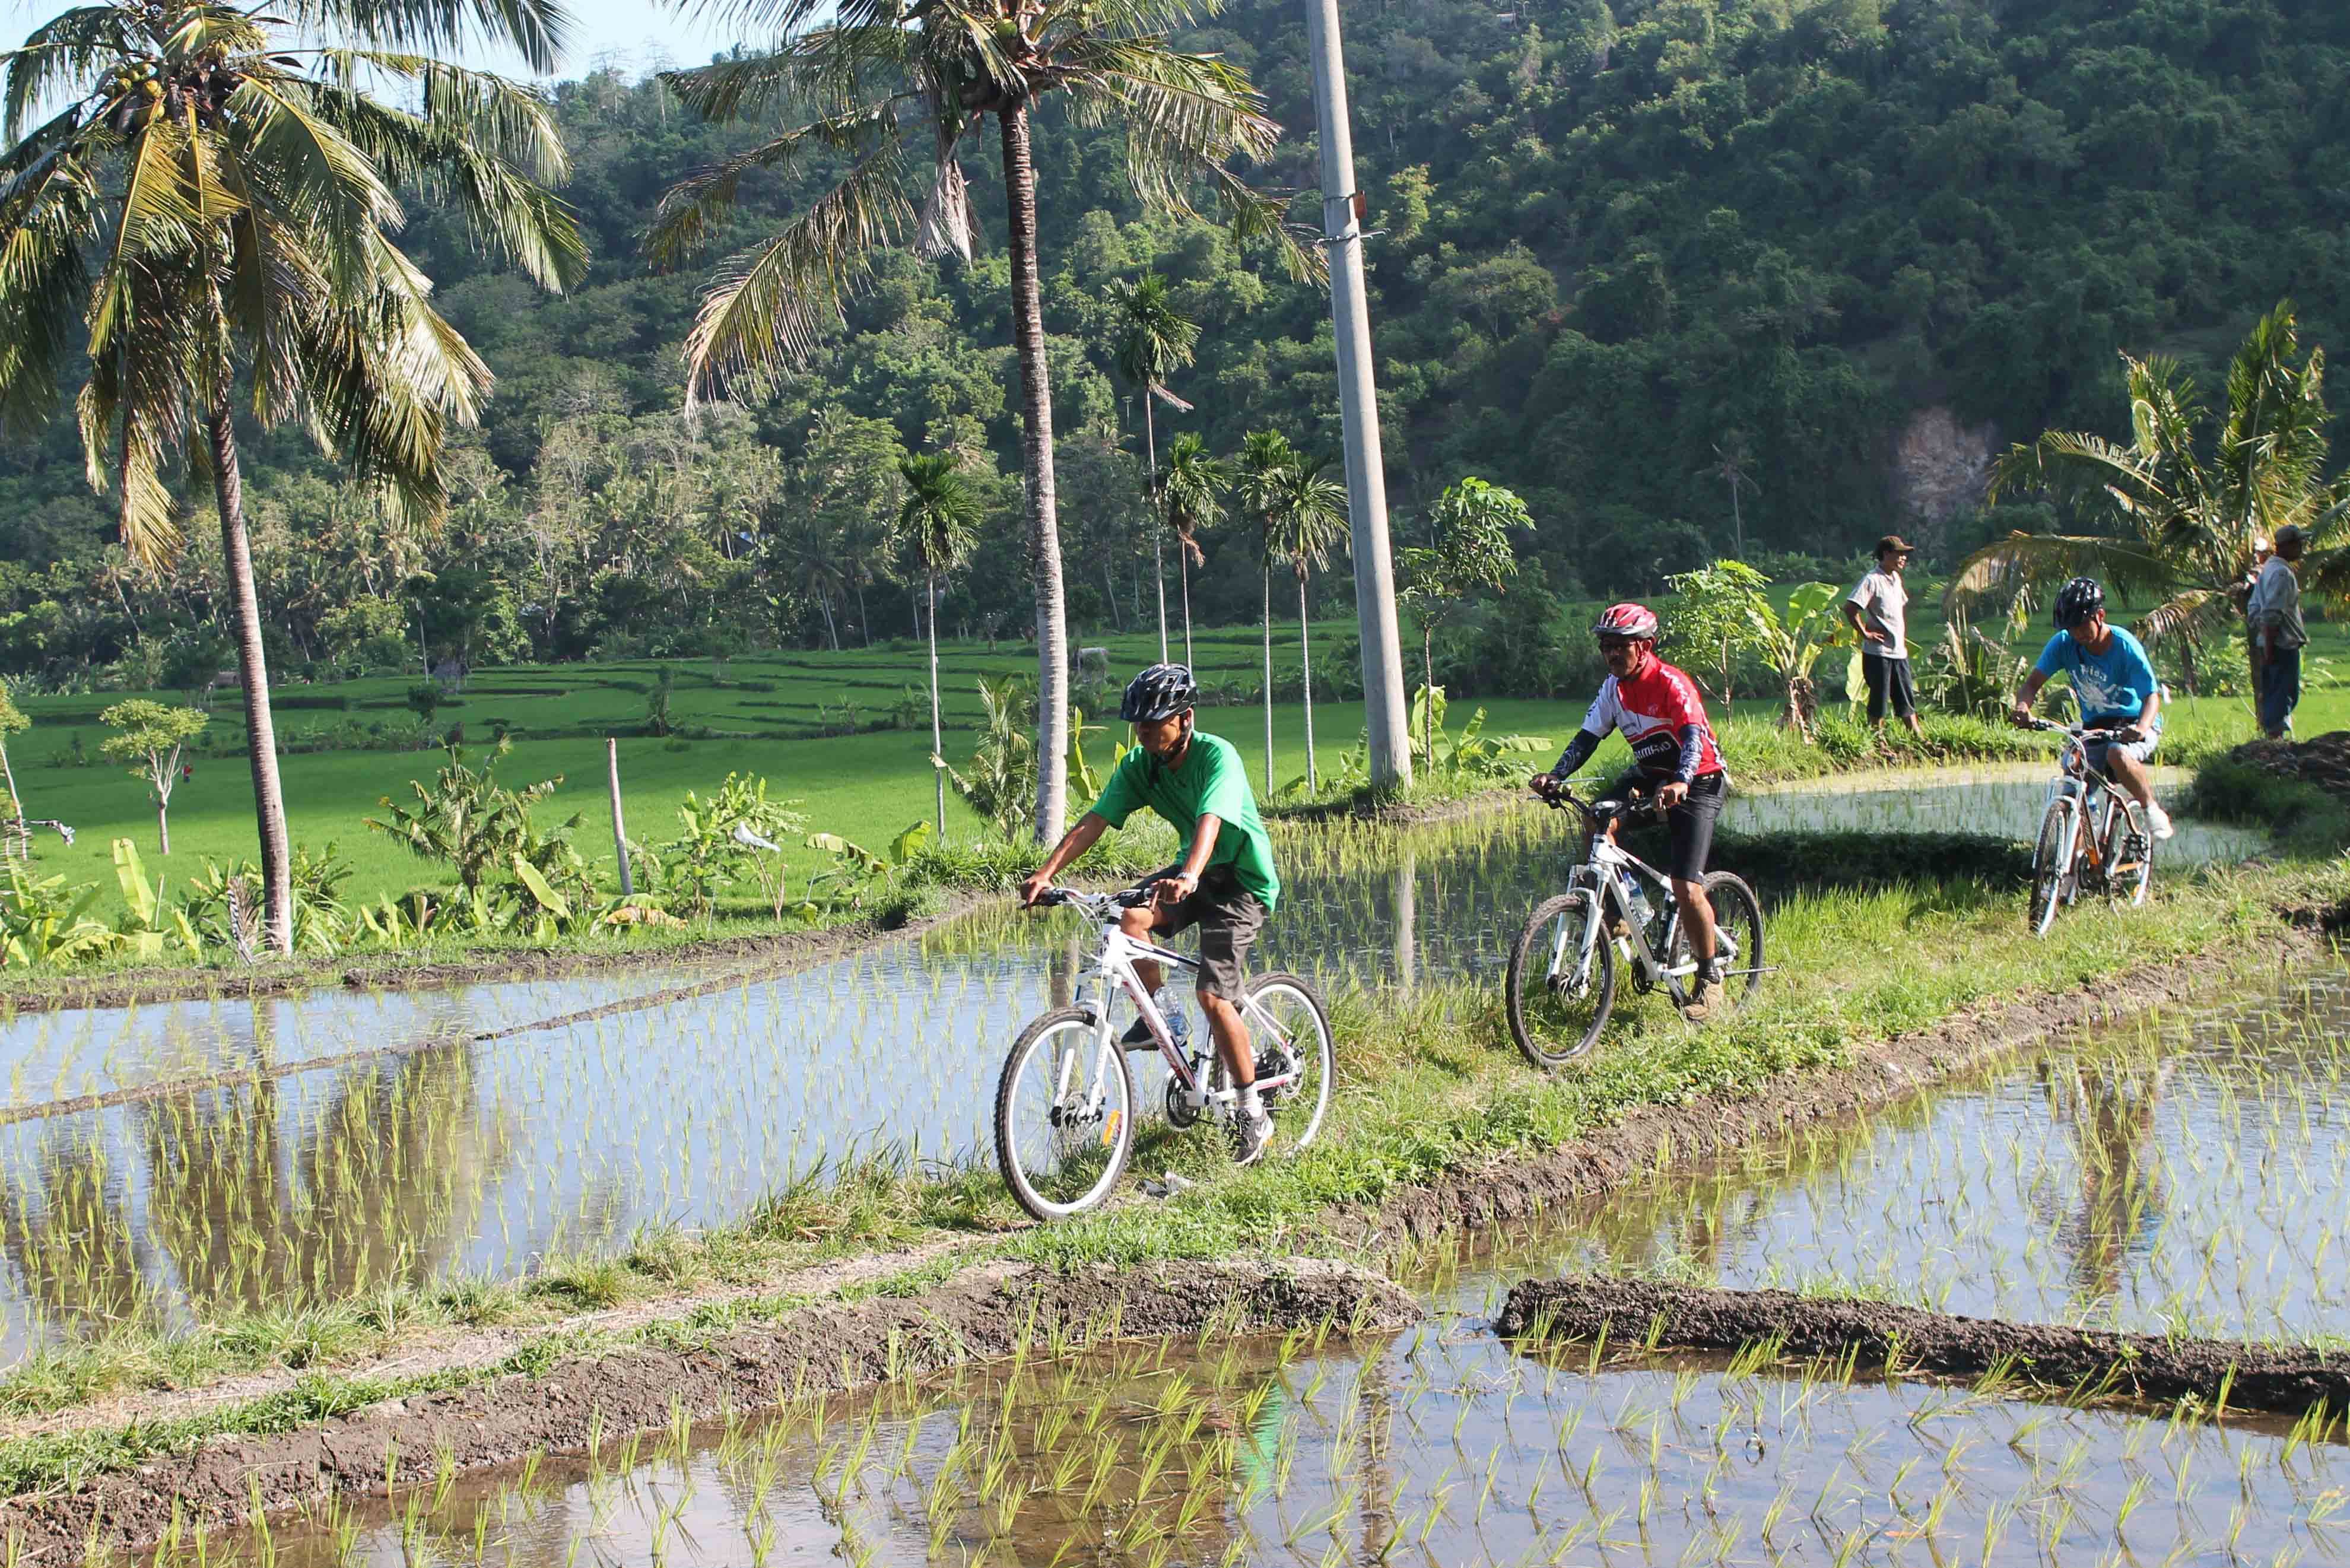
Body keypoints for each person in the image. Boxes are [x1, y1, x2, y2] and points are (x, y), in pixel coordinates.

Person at [1021, 664, 1284, 1165]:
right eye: (1137, 723)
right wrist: (1046, 873)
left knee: (1214, 995)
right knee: (1131, 919)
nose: (1142, 731)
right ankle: (1165, 1016)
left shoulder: (1217, 757)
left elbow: (1211, 820)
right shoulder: (1142, 766)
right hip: (1192, 873)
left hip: (1240, 882)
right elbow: (1096, 819)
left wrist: (1189, 875)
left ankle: (1253, 1113)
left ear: (1185, 719)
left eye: (1153, 722)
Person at [1528, 602, 1731, 1022]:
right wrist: (1556, 775)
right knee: (1596, 819)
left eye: (1621, 646)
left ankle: (1710, 978)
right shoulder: (1613, 690)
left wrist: (1682, 781)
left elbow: (1693, 739)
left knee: (1686, 887)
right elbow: (1587, 739)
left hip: (1698, 780)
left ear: (1646, 647)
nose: (1612, 654)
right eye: (1606, 647)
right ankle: (1624, 912)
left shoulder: (1671, 683)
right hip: (1651, 777)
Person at [2008, 576, 2173, 840]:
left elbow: (2151, 697)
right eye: (2071, 628)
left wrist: (2141, 728)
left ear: (2100, 616)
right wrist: (2022, 707)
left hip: (2134, 721)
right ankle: (2072, 855)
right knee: (2073, 769)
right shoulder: (2064, 643)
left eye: (2083, 626)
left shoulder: (2125, 646)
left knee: (2118, 754)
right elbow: (2031, 685)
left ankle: (2151, 808)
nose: (2078, 635)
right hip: (2095, 726)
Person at [1843, 534, 1923, 738]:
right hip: (1878, 653)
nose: (1903, 558)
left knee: (1905, 697)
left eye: (1905, 555)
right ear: (1886, 554)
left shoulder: (1896, 579)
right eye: (1899, 554)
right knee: (1879, 699)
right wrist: (1865, 633)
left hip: (1898, 652)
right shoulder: (1872, 580)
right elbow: (1851, 608)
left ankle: (1917, 737)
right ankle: (1877, 739)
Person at [2248, 523, 2308, 740]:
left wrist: (2264, 640)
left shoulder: (2269, 570)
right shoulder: (2282, 573)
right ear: (2287, 546)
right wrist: (2270, 648)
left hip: (2271, 643)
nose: (2301, 548)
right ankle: (2275, 743)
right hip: (2282, 645)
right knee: (2283, 695)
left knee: (2275, 693)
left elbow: (2255, 610)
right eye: (2298, 544)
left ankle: (2274, 739)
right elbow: (2272, 615)